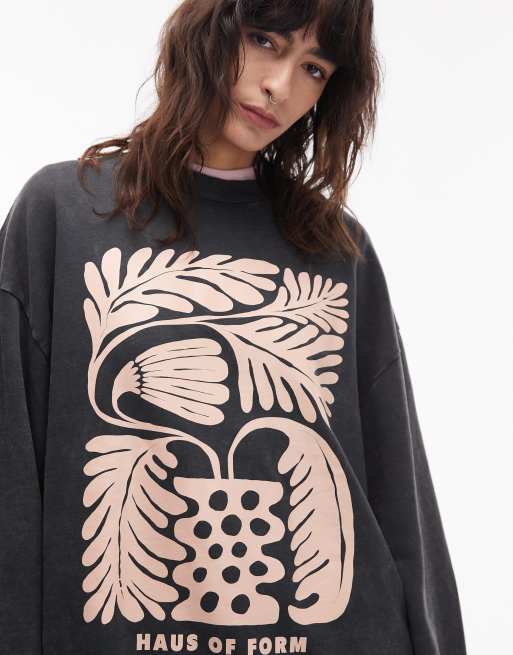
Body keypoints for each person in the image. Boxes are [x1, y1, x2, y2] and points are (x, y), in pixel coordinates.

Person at [0, 1, 467, 654]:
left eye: (314, 68)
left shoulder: (336, 250)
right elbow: (12, 477)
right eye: (264, 40)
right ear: (209, 29)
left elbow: (399, 495)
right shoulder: (65, 215)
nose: (280, 86)